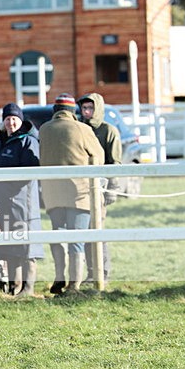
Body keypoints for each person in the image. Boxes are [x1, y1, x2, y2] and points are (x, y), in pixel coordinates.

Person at [39, 93, 104, 295]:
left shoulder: (44, 129)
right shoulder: (82, 129)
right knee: (76, 240)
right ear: (72, 112)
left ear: (55, 111)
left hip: (51, 193)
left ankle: (59, 279)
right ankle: (74, 285)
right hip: (79, 193)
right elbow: (98, 157)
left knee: (58, 236)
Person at [0, 103, 43, 296]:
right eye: (7, 119)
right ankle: (13, 286)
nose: (11, 123)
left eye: (14, 119)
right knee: (9, 245)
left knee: (27, 246)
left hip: (23, 202)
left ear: (20, 120)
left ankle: (28, 287)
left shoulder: (28, 141)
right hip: (2, 202)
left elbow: (30, 171)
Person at [78, 93, 121, 285]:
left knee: (98, 231)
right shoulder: (79, 129)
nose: (86, 112)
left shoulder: (108, 131)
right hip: (81, 190)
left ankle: (102, 272)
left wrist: (113, 187)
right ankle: (90, 272)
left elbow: (115, 162)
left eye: (90, 108)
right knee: (85, 232)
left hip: (100, 189)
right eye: (84, 108)